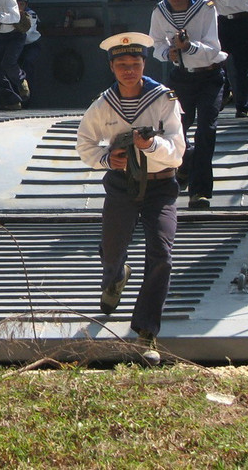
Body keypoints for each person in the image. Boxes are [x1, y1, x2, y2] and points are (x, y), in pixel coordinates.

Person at [75, 31, 185, 365]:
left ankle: (146, 330)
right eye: (122, 64)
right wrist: (108, 159)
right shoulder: (103, 104)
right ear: (112, 67)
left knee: (161, 252)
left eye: (134, 63)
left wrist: (151, 146)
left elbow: (178, 151)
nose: (128, 70)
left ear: (143, 65)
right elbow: (85, 144)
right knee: (112, 249)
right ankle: (116, 275)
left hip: (160, 187)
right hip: (122, 185)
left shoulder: (163, 99)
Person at [148, 0, 227, 209]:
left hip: (209, 77)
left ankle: (200, 191)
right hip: (182, 77)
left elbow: (213, 48)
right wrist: (169, 53)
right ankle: (185, 162)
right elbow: (156, 44)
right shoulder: (160, 11)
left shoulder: (205, 8)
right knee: (175, 128)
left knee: (206, 129)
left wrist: (189, 47)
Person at [14, 0, 40, 106]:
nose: (19, 6)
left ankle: (28, 100)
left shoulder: (31, 15)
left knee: (28, 66)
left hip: (30, 45)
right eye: (17, 3)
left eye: (22, 4)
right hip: (15, 46)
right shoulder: (9, 14)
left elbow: (26, 32)